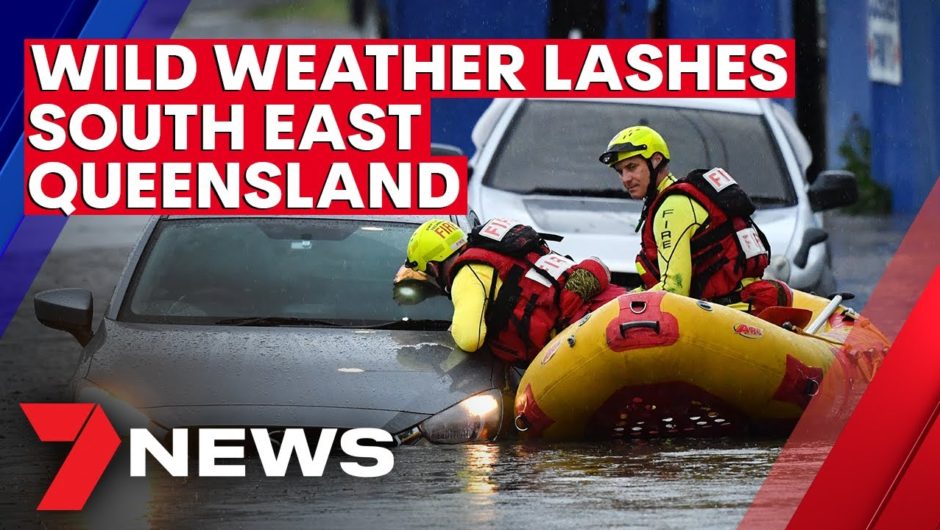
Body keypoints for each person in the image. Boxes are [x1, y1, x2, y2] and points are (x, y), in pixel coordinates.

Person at [598, 125, 791, 313]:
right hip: (742, 306)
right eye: (620, 171)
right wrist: (623, 297)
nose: (626, 179)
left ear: (656, 160)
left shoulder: (671, 207)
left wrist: (613, 309)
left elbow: (674, 289)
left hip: (730, 313)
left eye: (632, 167)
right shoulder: (685, 195)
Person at [398, 218, 626, 364]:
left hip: (588, 334)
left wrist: (438, 355)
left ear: (432, 266)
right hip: (613, 307)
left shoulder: (467, 273)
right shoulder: (496, 252)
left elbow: (469, 339)